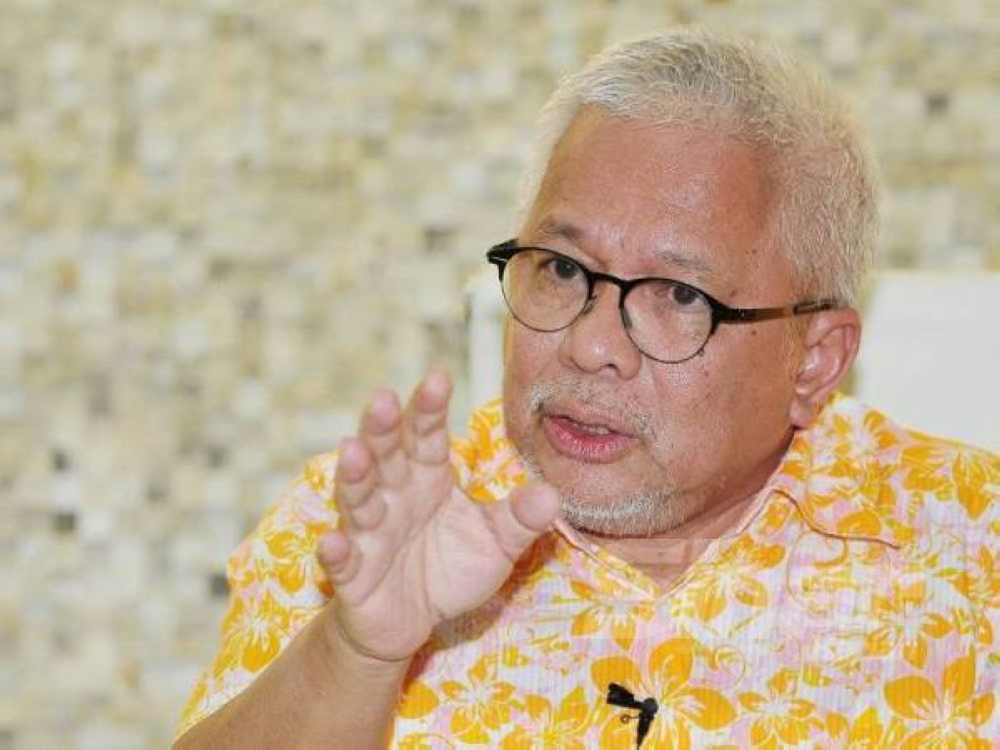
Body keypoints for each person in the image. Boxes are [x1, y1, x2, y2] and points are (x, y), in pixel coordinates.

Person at [175, 29, 998, 748]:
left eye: (679, 296)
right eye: (564, 269)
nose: (591, 344)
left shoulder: (974, 551)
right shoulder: (357, 534)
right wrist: (355, 652)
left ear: (813, 360)